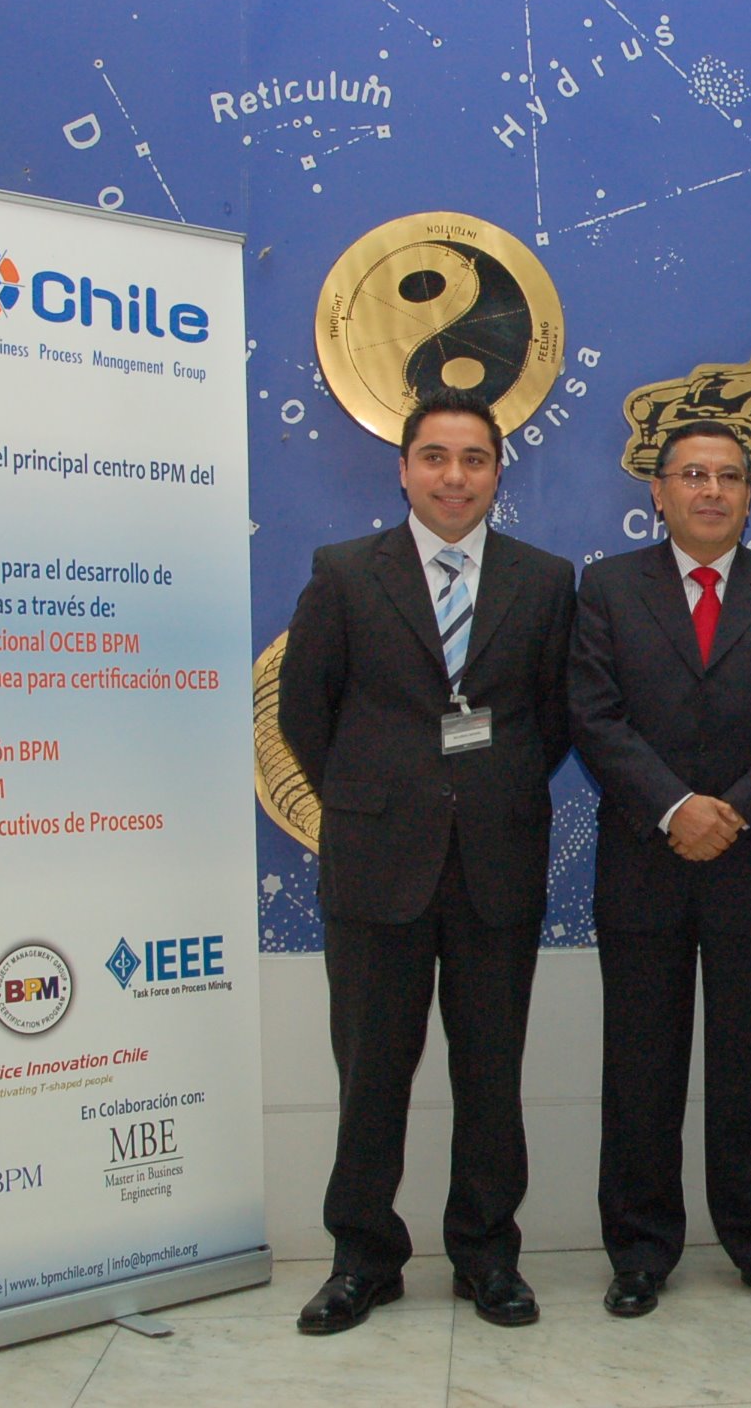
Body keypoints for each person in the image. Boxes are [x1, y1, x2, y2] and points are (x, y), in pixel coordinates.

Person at [278, 384, 576, 1332]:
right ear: (404, 469)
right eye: (436, 458)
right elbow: (304, 711)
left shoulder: (545, 580)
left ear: (497, 473)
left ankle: (487, 1257)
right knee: (371, 1075)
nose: (456, 477)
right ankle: (363, 1259)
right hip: (377, 865)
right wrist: (376, 797)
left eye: (474, 459)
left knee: (491, 1074)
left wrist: (478, 789)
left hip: (496, 862)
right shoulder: (344, 573)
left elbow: (555, 718)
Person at [569, 420, 751, 1317]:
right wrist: (676, 807)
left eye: (728, 476)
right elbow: (595, 716)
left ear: (750, 497)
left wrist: (736, 813)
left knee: (747, 1066)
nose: (711, 490)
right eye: (693, 474)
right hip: (644, 864)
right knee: (639, 1067)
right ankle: (640, 1250)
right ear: (659, 492)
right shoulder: (608, 589)